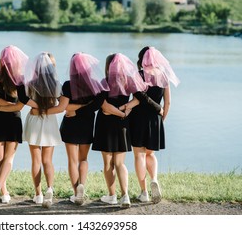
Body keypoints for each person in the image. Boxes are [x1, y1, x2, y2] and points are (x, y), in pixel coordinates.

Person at [92, 53, 147, 208]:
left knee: (108, 163)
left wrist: (119, 111)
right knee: (120, 163)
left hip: (105, 124)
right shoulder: (128, 81)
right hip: (122, 124)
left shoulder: (104, 82)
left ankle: (112, 196)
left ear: (108, 66)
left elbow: (104, 106)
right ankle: (125, 196)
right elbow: (137, 100)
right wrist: (124, 111)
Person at [129, 46, 180, 204]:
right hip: (155, 119)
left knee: (139, 155)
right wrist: (161, 120)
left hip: (137, 119)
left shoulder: (138, 75)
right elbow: (168, 102)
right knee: (150, 154)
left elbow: (136, 99)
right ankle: (154, 179)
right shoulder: (164, 77)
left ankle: (144, 192)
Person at [59, 52, 109, 205]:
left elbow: (64, 106)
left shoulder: (68, 85)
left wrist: (74, 110)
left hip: (70, 125)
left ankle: (76, 193)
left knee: (72, 161)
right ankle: (82, 186)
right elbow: (95, 106)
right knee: (83, 159)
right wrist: (82, 107)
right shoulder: (95, 84)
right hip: (87, 125)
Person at [0, 45, 31, 207]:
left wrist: (0, 108)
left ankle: (3, 191)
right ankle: (0, 187)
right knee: (9, 158)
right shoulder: (20, 79)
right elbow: (20, 106)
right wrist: (9, 106)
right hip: (13, 120)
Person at [22, 52, 66, 208]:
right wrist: (46, 110)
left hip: (34, 120)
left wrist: (38, 109)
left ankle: (38, 194)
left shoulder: (30, 83)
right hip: (49, 122)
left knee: (35, 160)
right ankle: (50, 188)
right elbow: (62, 107)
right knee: (47, 160)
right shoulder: (57, 85)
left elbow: (24, 99)